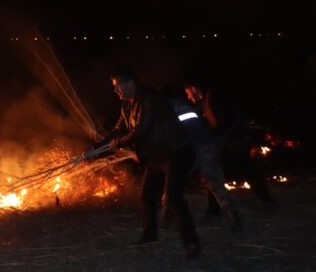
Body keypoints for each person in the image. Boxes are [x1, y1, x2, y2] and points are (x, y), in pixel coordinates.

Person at [85, 67, 200, 260]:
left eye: (117, 86)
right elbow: (117, 131)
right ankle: (149, 236)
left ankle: (191, 243)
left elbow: (141, 130)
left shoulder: (149, 98)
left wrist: (118, 143)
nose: (115, 91)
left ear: (130, 83)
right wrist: (95, 149)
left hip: (176, 152)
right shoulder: (126, 106)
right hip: (155, 157)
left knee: (173, 196)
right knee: (147, 196)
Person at [183, 81, 275, 215]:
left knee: (219, 173)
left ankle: (217, 210)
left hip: (233, 142)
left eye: (188, 93)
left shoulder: (214, 99)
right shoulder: (205, 102)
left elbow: (223, 123)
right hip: (230, 142)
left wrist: (216, 138)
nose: (188, 98)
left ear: (194, 89)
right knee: (241, 171)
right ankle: (265, 200)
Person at [160, 87, 242, 231]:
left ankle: (166, 221)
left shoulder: (165, 108)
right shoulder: (184, 105)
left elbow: (170, 134)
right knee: (216, 184)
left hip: (191, 149)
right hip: (207, 145)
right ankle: (234, 220)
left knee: (172, 185)